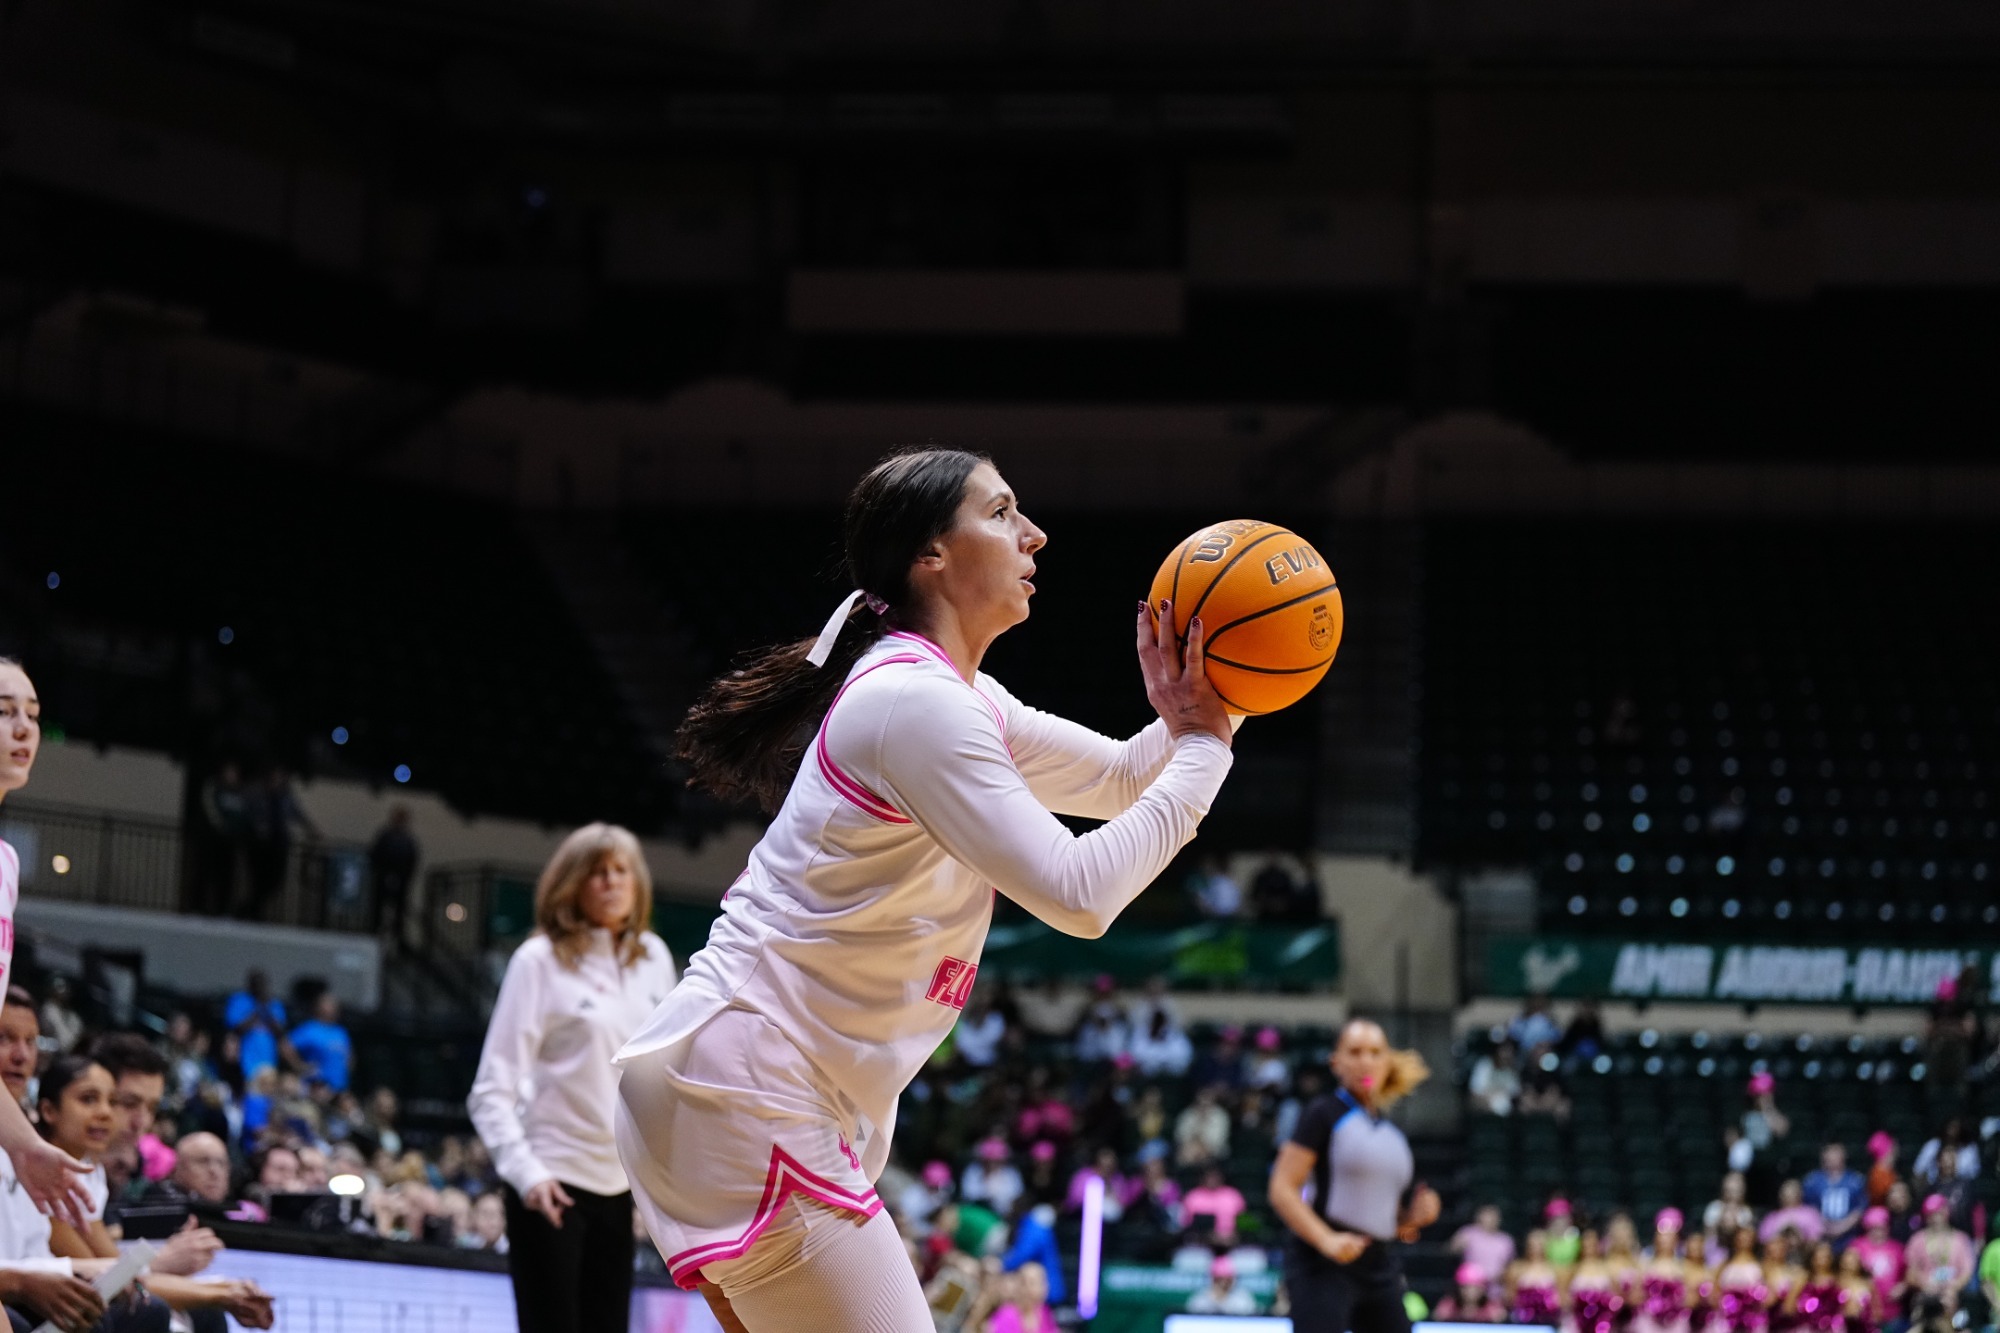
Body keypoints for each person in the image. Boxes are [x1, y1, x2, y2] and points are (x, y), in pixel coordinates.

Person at [612, 451, 1238, 1332]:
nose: (1035, 533)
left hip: (745, 1083)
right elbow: (1080, 892)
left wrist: (1224, 690)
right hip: (749, 1085)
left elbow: (1125, 781)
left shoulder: (961, 698)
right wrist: (1207, 745)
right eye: (1002, 511)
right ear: (930, 555)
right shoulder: (915, 704)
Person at [468, 823, 678, 1333]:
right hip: (551, 1185)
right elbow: (490, 1091)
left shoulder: (654, 958)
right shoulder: (537, 961)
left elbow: (666, 1078)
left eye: (621, 870)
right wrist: (527, 1174)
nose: (611, 882)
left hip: (620, 1190)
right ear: (571, 884)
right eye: (597, 872)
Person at [37, 1055, 274, 1330]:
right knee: (150, 1312)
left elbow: (113, 1269)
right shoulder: (44, 1168)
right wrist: (179, 1271)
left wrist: (222, 1289)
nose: (140, 1121)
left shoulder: (90, 1171)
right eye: (129, 1103)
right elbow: (110, 1280)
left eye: (150, 1108)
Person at [0, 661, 107, 1227]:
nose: (23, 729)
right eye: (3, 711)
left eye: (33, 715)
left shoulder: (6, 863)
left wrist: (23, 1144)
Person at [1268, 1017, 1439, 1333]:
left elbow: (1396, 1224)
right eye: (1355, 1052)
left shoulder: (1390, 1132)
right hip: (1322, 1263)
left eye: (1375, 1052)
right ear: (1336, 1062)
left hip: (1378, 1264)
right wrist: (1325, 1239)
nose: (1366, 1062)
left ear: (1387, 1061)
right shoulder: (1323, 1113)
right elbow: (1282, 1188)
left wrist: (1416, 1217)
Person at [242, 766, 316, 921]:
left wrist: (311, 830)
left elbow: (297, 813)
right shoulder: (256, 793)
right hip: (259, 846)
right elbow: (247, 813)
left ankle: (250, 908)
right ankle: (251, 911)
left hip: (279, 845)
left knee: (275, 881)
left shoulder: (285, 795)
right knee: (259, 880)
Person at [223, 970, 288, 1082]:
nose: (261, 987)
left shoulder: (274, 1004)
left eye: (263, 984)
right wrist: (258, 1009)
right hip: (247, 1058)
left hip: (269, 1057)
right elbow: (236, 1028)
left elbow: (281, 1031)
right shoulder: (239, 1000)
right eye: (257, 983)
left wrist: (267, 1009)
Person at [368, 807, 420, 945]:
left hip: (400, 880)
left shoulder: (407, 840)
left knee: (397, 914)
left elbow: (412, 862)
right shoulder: (388, 837)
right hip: (384, 878)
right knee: (379, 912)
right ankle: (378, 936)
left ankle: (396, 939)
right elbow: (376, 856)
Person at [288, 993, 353, 1093]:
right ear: (319, 1008)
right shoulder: (309, 1029)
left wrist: (348, 1066)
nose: (333, 1009)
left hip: (339, 1088)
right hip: (317, 1088)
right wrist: (298, 1065)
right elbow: (286, 1045)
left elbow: (348, 1053)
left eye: (334, 1006)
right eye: (329, 1005)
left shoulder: (340, 1031)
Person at [1803, 1142, 1867, 1242]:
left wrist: (1841, 1227)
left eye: (1835, 1156)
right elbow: (1809, 1208)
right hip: (1821, 1233)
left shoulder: (1856, 1180)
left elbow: (1859, 1209)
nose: (1832, 1160)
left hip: (1850, 1235)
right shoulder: (1813, 1181)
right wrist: (1825, 1226)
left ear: (1843, 1157)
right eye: (1829, 1156)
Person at [1452, 1203, 1516, 1287]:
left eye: (1493, 1216)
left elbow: (1511, 1266)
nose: (1490, 1219)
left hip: (1496, 1289)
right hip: (1471, 1289)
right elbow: (1451, 1250)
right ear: (1479, 1217)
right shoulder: (1468, 1233)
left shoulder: (1506, 1240)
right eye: (1487, 1215)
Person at [1433, 1262, 1506, 1322]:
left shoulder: (1492, 1308)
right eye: (1466, 1287)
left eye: (1476, 1288)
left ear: (1483, 1289)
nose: (1471, 1292)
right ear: (1459, 1288)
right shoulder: (1448, 1306)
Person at [1188, 1255, 1260, 1316]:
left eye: (1227, 1279)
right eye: (1219, 1279)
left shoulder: (1243, 1298)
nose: (1223, 1283)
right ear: (1212, 1279)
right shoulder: (1201, 1298)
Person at [1468, 1041, 1522, 1116]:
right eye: (1504, 1051)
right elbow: (1476, 1091)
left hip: (1507, 1109)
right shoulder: (1484, 1065)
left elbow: (1515, 1092)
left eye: (1510, 1052)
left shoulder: (1512, 1070)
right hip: (1484, 1105)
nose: (1506, 1055)